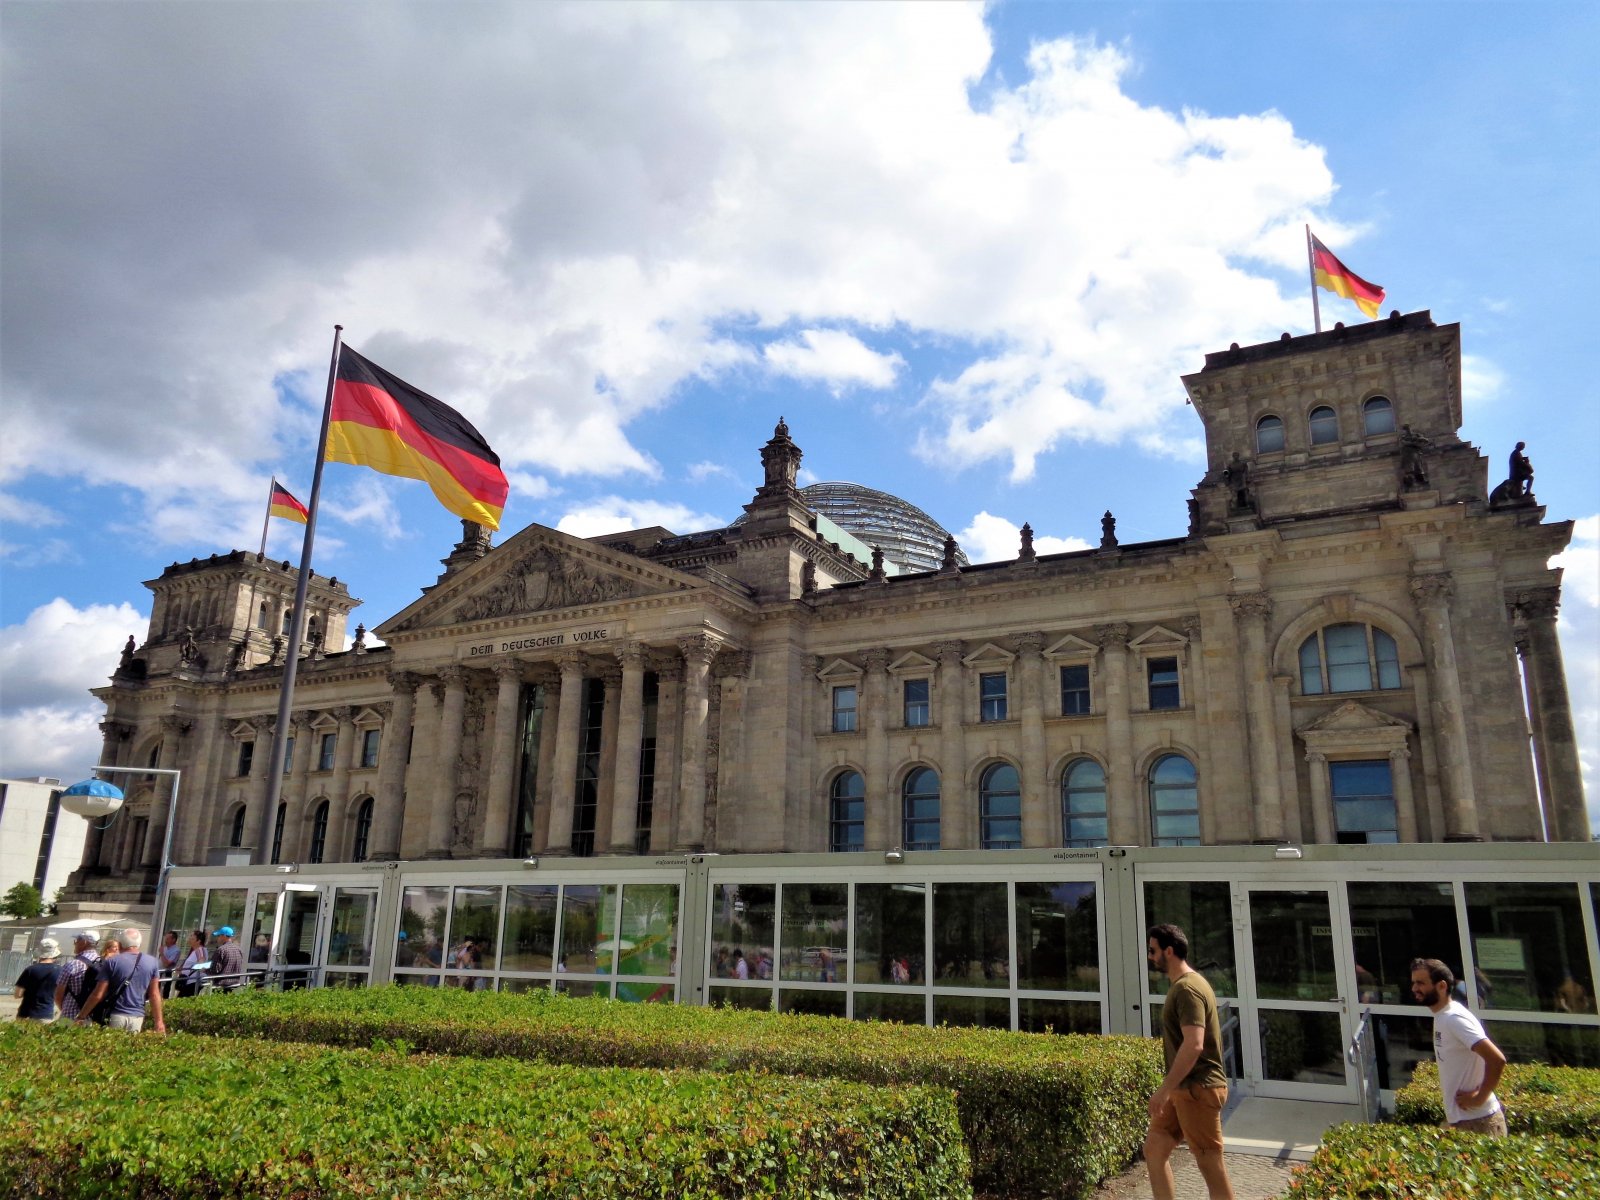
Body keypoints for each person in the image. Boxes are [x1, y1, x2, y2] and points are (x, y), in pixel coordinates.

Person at [1144, 924, 1235, 1200]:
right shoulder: (1185, 985)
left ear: (1168, 951)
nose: (1149, 956)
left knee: (1210, 1163)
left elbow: (1194, 1043)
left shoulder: (1188, 989)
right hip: (1183, 1089)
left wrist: (1163, 1089)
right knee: (1155, 1148)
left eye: (1153, 950)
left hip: (1198, 1088)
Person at [1409, 958, 1507, 1136]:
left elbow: (1497, 1060)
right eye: (1414, 983)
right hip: (1462, 1121)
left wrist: (1479, 1098)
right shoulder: (1442, 1016)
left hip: (1479, 1123)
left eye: (1421, 983)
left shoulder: (1455, 1018)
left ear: (1441, 986)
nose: (1414, 988)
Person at [77, 927, 165, 1034]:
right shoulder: (152, 962)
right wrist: (159, 1022)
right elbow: (154, 994)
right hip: (137, 1016)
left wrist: (82, 1016)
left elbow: (98, 994)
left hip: (115, 1014)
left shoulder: (112, 962)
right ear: (139, 943)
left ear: (120, 944)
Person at [53, 930, 102, 1021]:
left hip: (71, 1014)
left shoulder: (73, 964)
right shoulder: (103, 963)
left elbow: (58, 994)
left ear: (84, 942)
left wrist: (63, 1009)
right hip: (93, 1016)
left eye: (76, 941)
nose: (74, 943)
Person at [13, 937, 63, 1022]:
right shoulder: (60, 971)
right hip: (46, 1014)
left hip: (25, 1013)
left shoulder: (30, 969)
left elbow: (17, 994)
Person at [209, 925, 246, 991]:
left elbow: (215, 969)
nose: (217, 938)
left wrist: (204, 970)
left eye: (218, 936)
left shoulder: (221, 950)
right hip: (234, 984)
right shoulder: (238, 949)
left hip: (221, 986)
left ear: (224, 936)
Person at [176, 930, 210, 997]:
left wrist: (189, 970)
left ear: (198, 941)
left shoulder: (199, 950)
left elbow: (202, 966)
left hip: (192, 982)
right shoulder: (196, 950)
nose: (189, 938)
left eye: (192, 936)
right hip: (189, 981)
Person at [158, 930, 182, 996]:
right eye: (166, 938)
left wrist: (162, 953)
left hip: (166, 973)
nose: (166, 940)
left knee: (164, 992)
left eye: (168, 939)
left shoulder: (176, 951)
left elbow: (167, 964)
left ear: (173, 940)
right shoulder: (164, 948)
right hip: (158, 972)